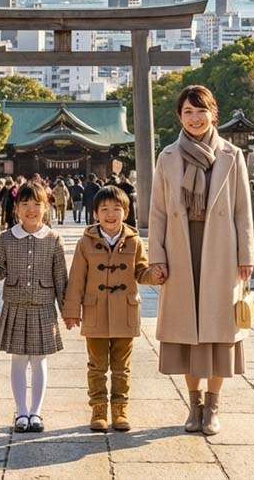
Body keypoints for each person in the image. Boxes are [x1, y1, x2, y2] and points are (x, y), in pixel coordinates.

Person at [148, 85, 254, 436]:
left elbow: (243, 210)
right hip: (181, 251)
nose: (195, 118)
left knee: (220, 331)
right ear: (179, 117)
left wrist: (246, 255)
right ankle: (193, 405)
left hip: (222, 251)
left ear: (214, 113)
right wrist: (157, 257)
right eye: (188, 112)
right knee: (185, 333)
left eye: (201, 111)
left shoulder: (231, 155)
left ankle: (213, 406)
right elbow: (158, 212)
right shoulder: (167, 157)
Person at [61, 185, 160, 433]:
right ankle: (98, 409)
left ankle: (120, 409)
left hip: (125, 312)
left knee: (122, 366)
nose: (110, 214)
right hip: (95, 312)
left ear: (125, 212)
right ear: (95, 213)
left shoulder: (134, 241)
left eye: (117, 209)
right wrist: (72, 310)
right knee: (96, 365)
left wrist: (154, 275)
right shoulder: (86, 242)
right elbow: (76, 279)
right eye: (104, 209)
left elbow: (141, 271)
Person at [0, 182, 67, 433]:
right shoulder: (8, 238)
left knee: (39, 361)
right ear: (16, 208)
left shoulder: (53, 239)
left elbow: (61, 278)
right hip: (16, 304)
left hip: (43, 306)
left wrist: (68, 311)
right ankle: (21, 412)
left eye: (37, 204)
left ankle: (36, 412)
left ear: (46, 207)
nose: (31, 209)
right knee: (18, 360)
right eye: (25, 204)